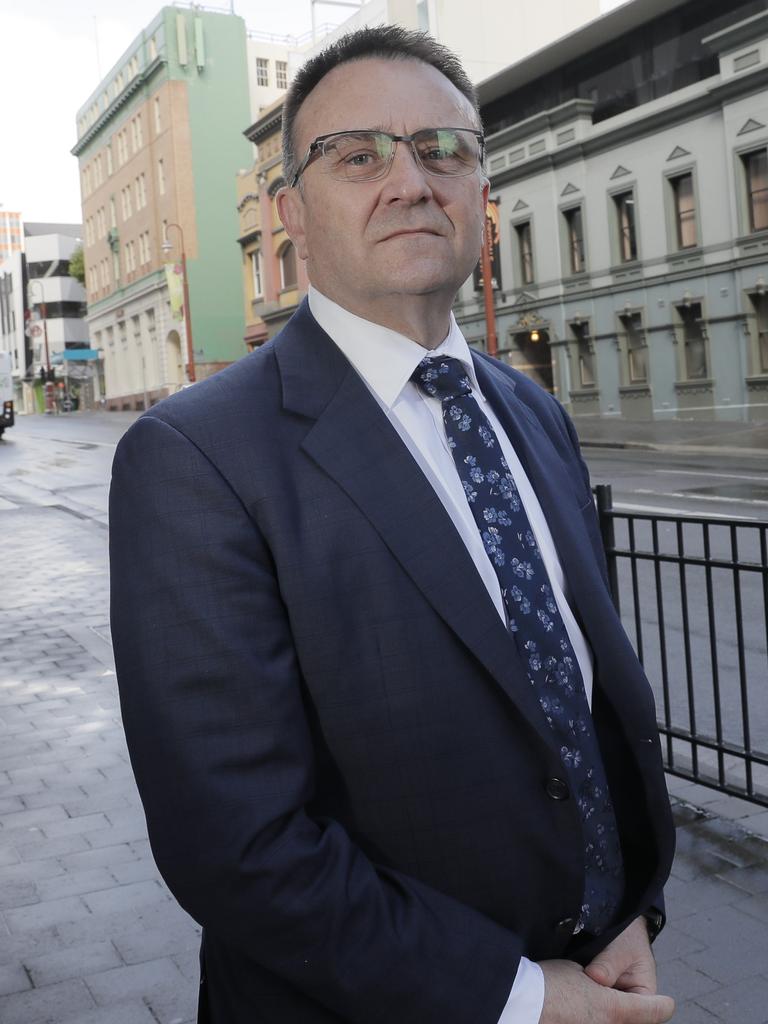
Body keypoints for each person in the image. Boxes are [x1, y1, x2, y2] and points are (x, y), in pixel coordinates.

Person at [109, 25, 676, 1024]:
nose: (411, 181)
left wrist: (632, 909)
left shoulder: (532, 411)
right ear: (292, 213)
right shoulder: (195, 457)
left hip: (598, 977)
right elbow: (237, 843)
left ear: (480, 196)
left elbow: (584, 710)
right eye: (358, 154)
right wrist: (516, 998)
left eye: (444, 149)